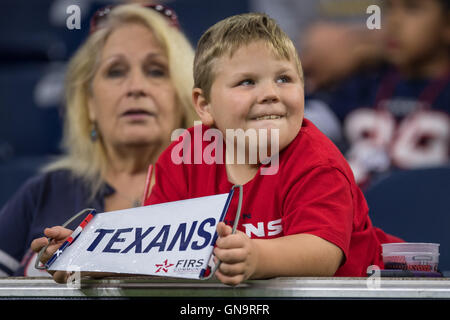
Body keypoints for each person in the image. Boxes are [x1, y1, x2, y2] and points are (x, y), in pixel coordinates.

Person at [142, 13, 402, 285]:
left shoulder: (318, 162)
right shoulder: (184, 156)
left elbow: (322, 254)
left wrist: (257, 256)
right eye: (247, 82)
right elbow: (150, 246)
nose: (270, 93)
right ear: (205, 106)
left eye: (284, 79)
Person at [0, 3, 197, 277]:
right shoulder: (44, 191)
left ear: (184, 98)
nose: (136, 87)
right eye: (115, 71)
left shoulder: (222, 188)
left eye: (156, 71)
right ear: (90, 103)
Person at [322, 0, 450, 186]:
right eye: (390, 8)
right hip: (346, 207)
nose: (394, 21)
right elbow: (304, 124)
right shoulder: (362, 83)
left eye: (412, 8)